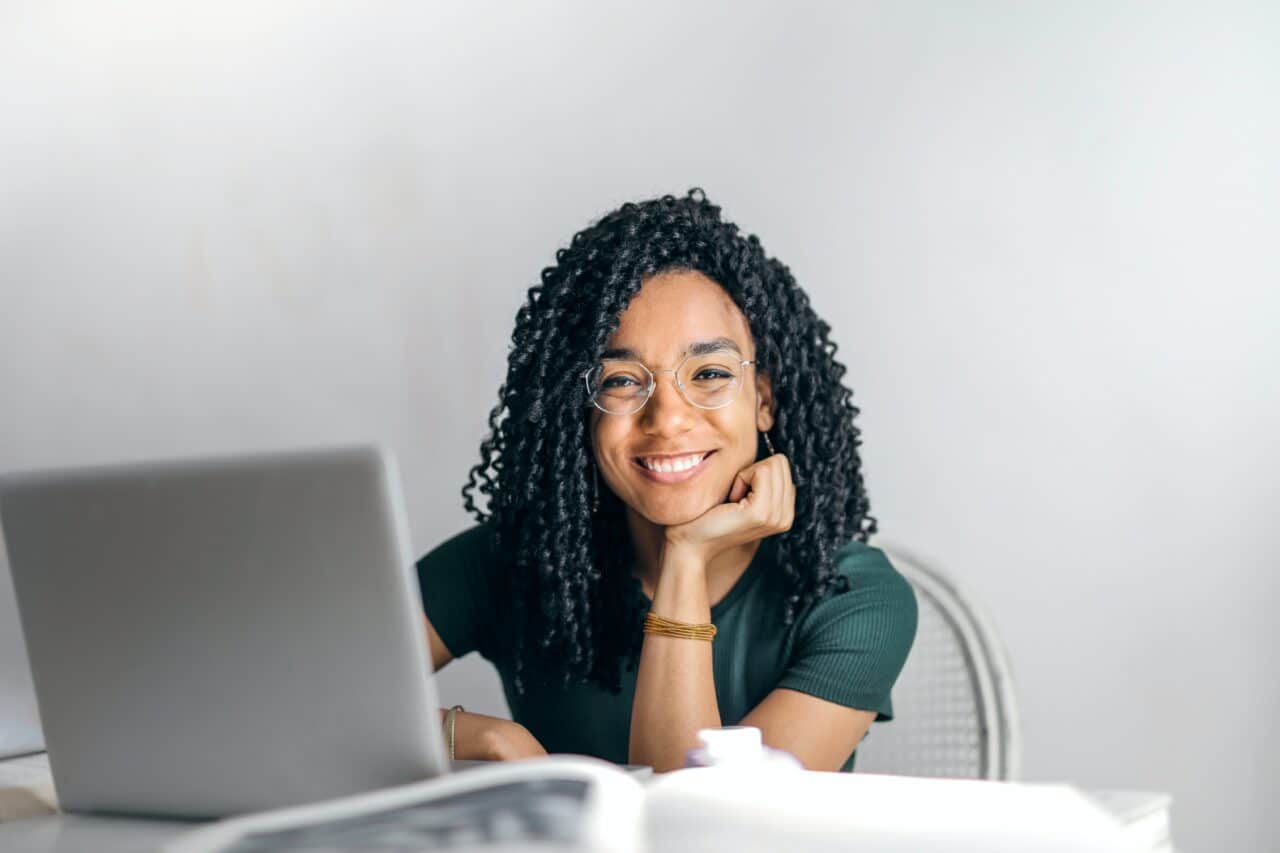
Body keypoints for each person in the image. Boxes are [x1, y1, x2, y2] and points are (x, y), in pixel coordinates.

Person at [418, 189, 917, 773]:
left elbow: (702, 829)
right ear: (579, 409)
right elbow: (299, 701)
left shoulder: (852, 597)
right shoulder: (513, 561)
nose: (669, 418)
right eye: (622, 381)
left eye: (708, 373)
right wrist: (482, 738)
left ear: (764, 399)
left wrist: (686, 556)